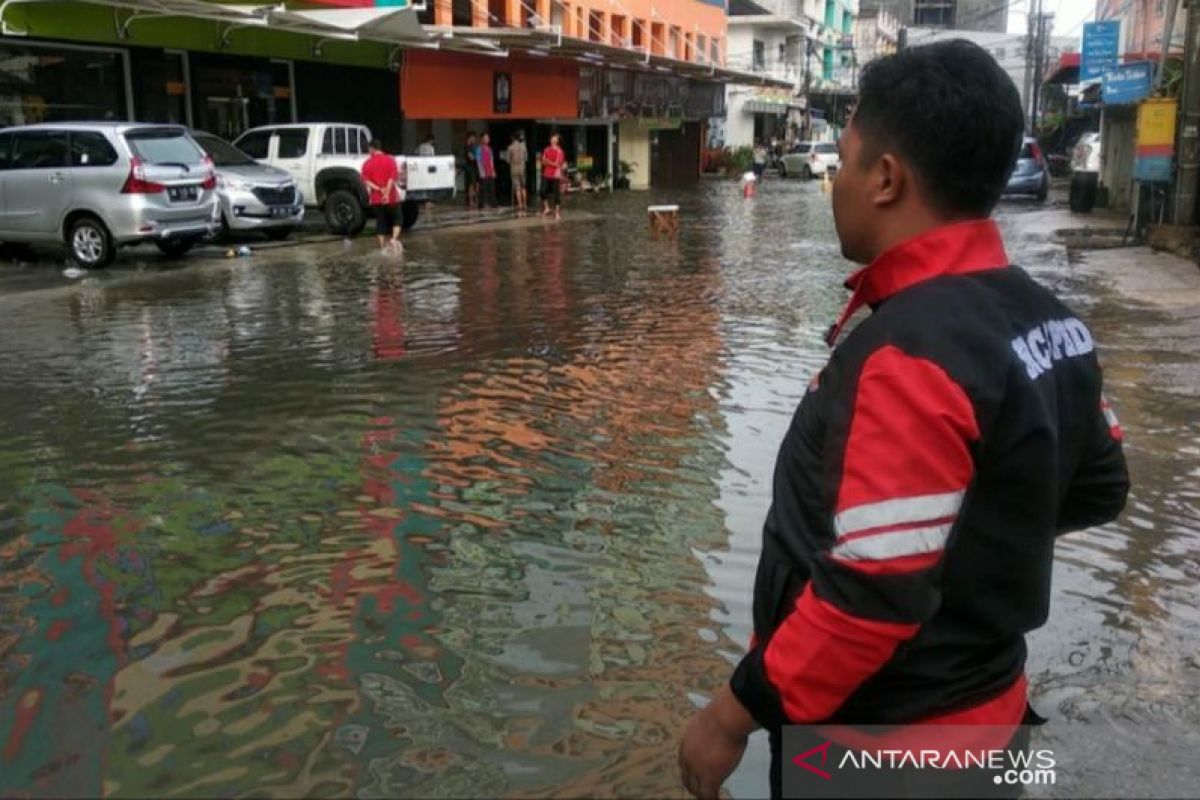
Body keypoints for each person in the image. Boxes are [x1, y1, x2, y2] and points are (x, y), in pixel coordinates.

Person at [678, 40, 1129, 800]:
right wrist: (970, 539)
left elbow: (869, 596)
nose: (835, 183)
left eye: (845, 160)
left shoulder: (910, 355)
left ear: (885, 178)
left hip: (881, 756)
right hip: (1000, 723)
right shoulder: (1053, 322)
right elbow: (1098, 485)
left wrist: (729, 717)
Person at [361, 138, 402, 254]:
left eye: (369, 149)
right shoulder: (390, 160)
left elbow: (366, 181)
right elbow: (392, 178)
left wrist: (378, 189)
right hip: (392, 197)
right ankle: (394, 239)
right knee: (397, 219)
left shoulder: (367, 163)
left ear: (372, 148)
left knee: (380, 222)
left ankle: (382, 247)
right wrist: (387, 192)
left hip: (376, 199)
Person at [539, 133, 566, 220]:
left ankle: (557, 213)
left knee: (556, 195)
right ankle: (547, 208)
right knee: (542, 191)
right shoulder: (546, 149)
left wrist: (548, 161)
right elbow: (543, 162)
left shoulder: (560, 151)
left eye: (555, 138)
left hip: (555, 175)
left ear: (557, 141)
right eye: (552, 138)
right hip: (546, 173)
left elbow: (557, 164)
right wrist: (548, 162)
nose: (553, 139)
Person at [506, 131, 529, 215]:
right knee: (523, 186)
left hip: (514, 168)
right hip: (522, 168)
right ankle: (525, 204)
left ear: (513, 138)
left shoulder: (510, 147)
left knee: (517, 187)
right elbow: (526, 158)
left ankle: (519, 204)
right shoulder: (524, 146)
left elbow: (508, 160)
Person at [476, 132, 497, 209]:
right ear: (482, 139)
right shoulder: (479, 148)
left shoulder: (489, 149)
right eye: (485, 137)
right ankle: (482, 204)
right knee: (483, 188)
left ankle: (492, 203)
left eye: (487, 137)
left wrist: (493, 171)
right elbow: (478, 161)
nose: (486, 139)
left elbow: (491, 161)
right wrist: (481, 172)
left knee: (491, 188)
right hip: (483, 171)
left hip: (490, 171)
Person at [463, 131, 478, 209]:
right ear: (470, 138)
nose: (474, 139)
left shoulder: (474, 146)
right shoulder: (468, 147)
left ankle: (474, 200)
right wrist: (478, 158)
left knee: (475, 184)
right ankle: (471, 201)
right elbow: (471, 157)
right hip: (470, 167)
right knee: (471, 185)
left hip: (475, 167)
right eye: (473, 137)